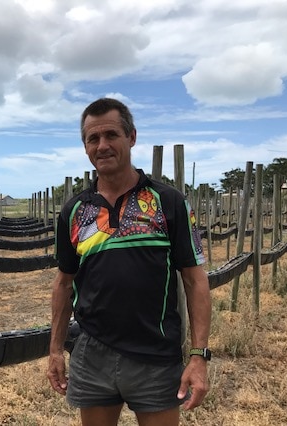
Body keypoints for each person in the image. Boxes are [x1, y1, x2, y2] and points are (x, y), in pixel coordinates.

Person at [47, 98, 212, 426]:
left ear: (131, 137)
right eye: (93, 139)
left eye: (111, 135)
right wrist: (54, 349)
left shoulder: (168, 202)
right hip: (91, 351)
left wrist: (198, 356)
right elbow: (64, 283)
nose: (102, 145)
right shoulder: (75, 211)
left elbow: (195, 280)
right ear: (85, 147)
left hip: (156, 353)